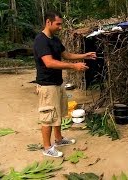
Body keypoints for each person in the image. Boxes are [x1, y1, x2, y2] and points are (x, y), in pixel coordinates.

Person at [33, 11, 96, 158]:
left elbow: (66, 55)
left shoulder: (54, 40)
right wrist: (74, 67)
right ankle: (47, 147)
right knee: (48, 117)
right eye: (58, 24)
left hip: (57, 83)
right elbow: (49, 63)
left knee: (58, 114)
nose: (61, 27)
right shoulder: (41, 40)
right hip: (47, 85)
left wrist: (84, 56)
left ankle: (59, 139)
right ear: (48, 22)